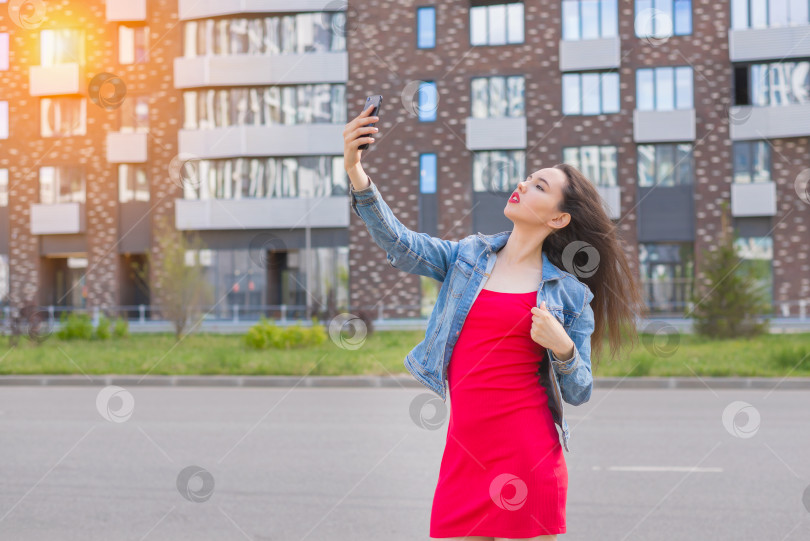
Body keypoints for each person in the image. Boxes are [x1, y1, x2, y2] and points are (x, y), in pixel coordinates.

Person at [343, 104, 645, 541]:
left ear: (558, 219)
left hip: (529, 456)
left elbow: (580, 391)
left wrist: (564, 348)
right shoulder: (467, 257)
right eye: (528, 177)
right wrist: (355, 171)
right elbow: (402, 244)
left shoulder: (570, 296)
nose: (522, 184)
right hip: (465, 456)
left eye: (538, 185)